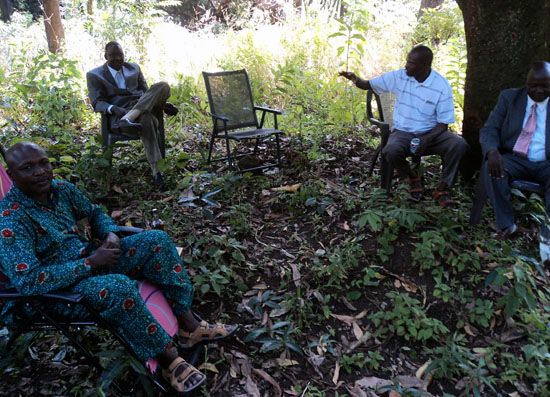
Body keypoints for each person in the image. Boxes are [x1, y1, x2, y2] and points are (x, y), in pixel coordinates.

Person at [0, 142, 238, 394]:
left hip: (92, 262)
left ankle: (189, 327)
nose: (40, 171)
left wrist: (111, 235)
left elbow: (94, 213)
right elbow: (28, 281)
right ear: (11, 175)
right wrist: (90, 263)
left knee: (156, 240)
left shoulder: (61, 189)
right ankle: (169, 361)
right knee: (119, 287)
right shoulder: (11, 221)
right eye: (27, 167)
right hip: (57, 294)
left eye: (43, 163)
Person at [340, 45, 469, 207]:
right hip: (404, 132)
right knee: (390, 151)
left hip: (431, 133)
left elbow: (443, 124)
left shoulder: (441, 86)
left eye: (412, 63)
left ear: (425, 65)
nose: (407, 66)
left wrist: (426, 139)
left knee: (459, 145)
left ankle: (443, 189)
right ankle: (412, 177)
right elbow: (368, 84)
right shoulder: (399, 77)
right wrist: (355, 79)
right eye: (407, 62)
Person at [86, 41, 178, 188]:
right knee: (146, 120)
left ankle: (131, 117)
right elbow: (97, 102)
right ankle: (157, 172)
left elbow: (148, 93)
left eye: (120, 55)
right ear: (105, 56)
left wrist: (163, 104)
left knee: (163, 86)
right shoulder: (95, 75)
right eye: (112, 55)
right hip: (120, 116)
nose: (117, 58)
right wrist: (115, 109)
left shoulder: (134, 68)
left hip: (137, 112)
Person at [479, 61, 550, 240]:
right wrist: (492, 151)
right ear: (526, 83)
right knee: (492, 167)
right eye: (533, 86)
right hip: (515, 158)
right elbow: (490, 128)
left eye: (545, 86)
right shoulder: (509, 98)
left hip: (546, 162)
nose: (538, 91)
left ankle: (547, 234)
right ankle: (507, 225)